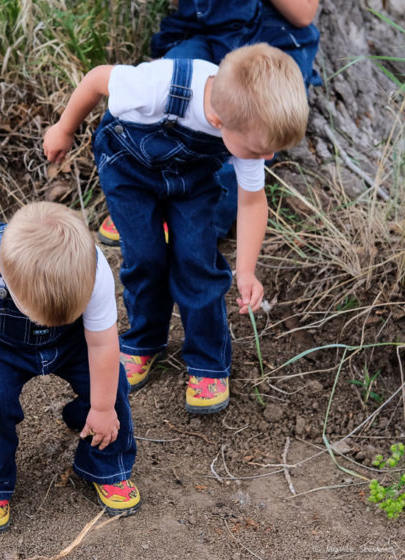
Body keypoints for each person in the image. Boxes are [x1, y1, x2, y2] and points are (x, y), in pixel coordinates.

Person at [43, 44, 309, 413]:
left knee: (197, 262)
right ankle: (144, 341)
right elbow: (96, 79)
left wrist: (246, 270)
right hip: (128, 170)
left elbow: (251, 200)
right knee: (145, 259)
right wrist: (63, 128)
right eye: (256, 152)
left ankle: (208, 361)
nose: (266, 159)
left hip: (191, 183)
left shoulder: (248, 126)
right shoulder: (153, 86)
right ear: (218, 122)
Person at [0, 201, 140, 533]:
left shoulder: (93, 268)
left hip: (73, 340)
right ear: (2, 270)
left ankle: (106, 465)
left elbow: (102, 345)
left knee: (112, 389)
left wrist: (102, 407)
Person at [98, 0, 320, 245]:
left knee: (254, 128)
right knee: (170, 87)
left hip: (269, 41)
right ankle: (140, 199)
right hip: (203, 30)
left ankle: (195, 223)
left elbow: (304, 13)